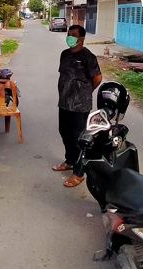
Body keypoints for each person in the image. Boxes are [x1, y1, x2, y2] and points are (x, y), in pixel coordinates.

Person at [52, 24, 102, 188]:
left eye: (73, 34)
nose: (70, 37)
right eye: (69, 34)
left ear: (82, 38)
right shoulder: (64, 54)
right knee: (64, 133)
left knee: (79, 138)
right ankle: (70, 161)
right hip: (64, 102)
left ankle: (79, 173)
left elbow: (97, 79)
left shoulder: (88, 56)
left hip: (80, 105)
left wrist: (86, 92)